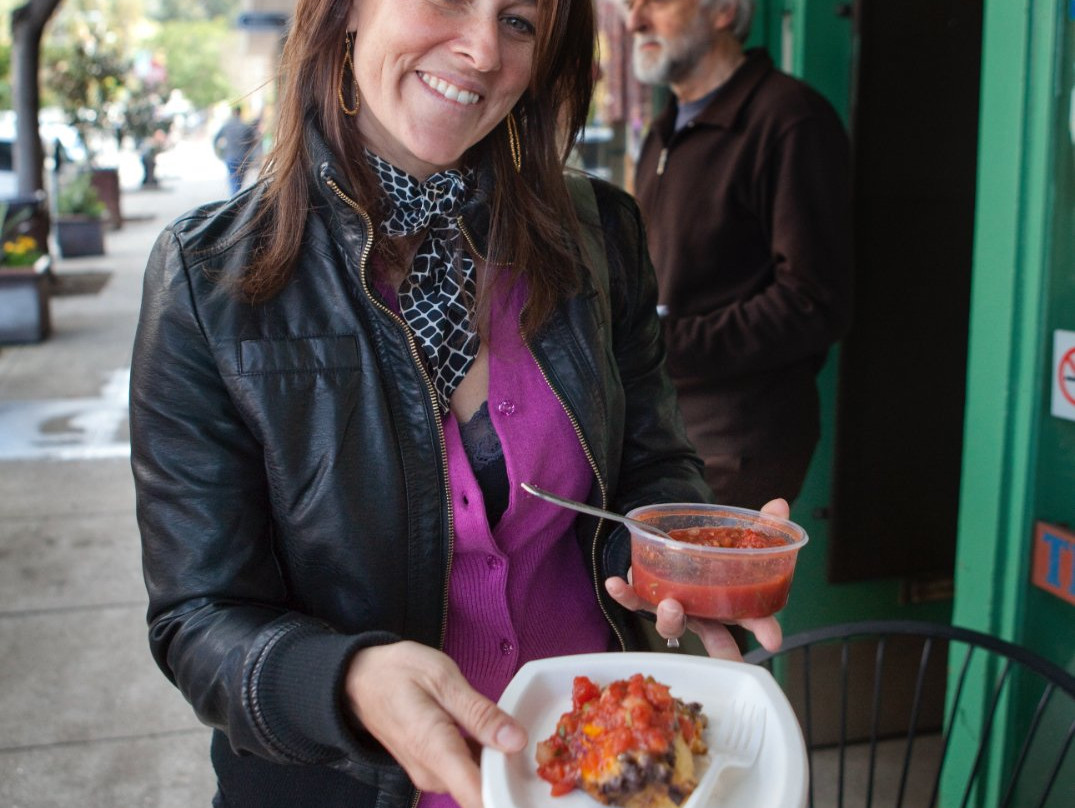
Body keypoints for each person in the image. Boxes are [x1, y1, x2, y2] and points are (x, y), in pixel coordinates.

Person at [129, 2, 787, 807]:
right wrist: (345, 679)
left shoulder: (600, 235)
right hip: (346, 786)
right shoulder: (207, 282)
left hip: (589, 768)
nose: (481, 51)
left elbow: (647, 465)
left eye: (518, 20)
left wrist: (674, 559)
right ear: (345, 17)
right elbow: (197, 618)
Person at [627, 0, 853, 509]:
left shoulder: (790, 119)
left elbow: (814, 301)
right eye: (629, 4)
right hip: (659, 423)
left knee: (691, 591)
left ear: (724, 10)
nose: (634, 19)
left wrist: (660, 344)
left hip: (736, 438)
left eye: (655, 2)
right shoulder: (664, 131)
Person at [212, 106, 260, 194]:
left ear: (233, 113)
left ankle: (234, 198)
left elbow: (215, 139)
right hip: (243, 157)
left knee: (233, 179)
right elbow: (254, 140)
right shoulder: (245, 126)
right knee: (238, 181)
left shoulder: (226, 126)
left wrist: (218, 153)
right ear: (240, 113)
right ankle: (235, 198)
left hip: (230, 157)